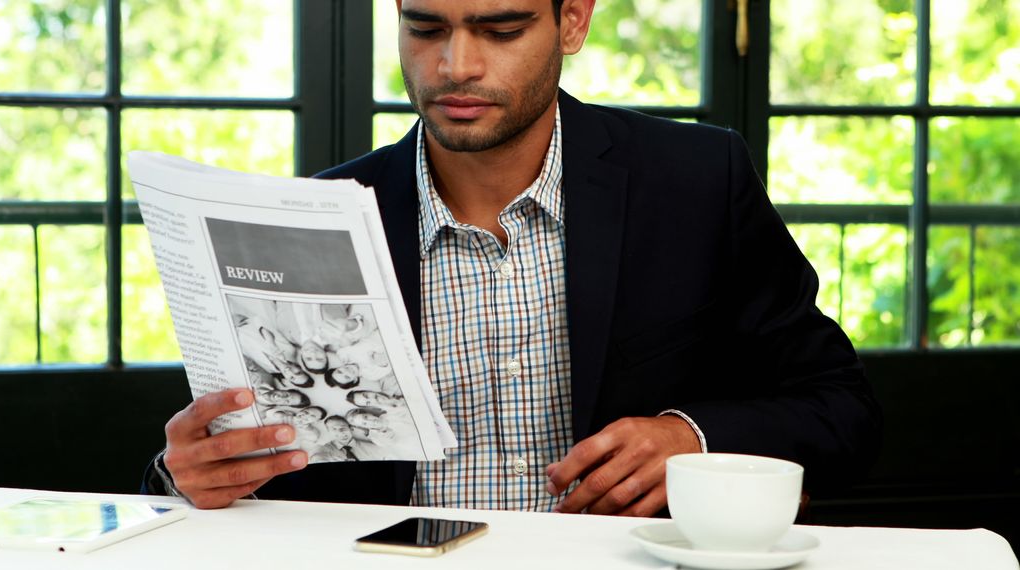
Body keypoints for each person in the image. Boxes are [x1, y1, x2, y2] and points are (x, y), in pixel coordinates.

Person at [146, 0, 881, 512]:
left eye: (500, 29)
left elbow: (842, 410)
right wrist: (188, 476)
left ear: (573, 20)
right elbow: (263, 473)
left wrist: (690, 436)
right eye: (424, 27)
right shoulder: (320, 216)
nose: (455, 65)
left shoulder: (695, 181)